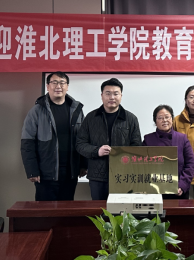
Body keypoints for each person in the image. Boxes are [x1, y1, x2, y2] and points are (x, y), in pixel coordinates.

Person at [20, 72, 87, 201]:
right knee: (45, 211)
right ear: (47, 86)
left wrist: (84, 164)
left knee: (67, 210)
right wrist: (32, 170)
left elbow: (83, 139)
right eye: (54, 82)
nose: (58, 86)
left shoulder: (76, 110)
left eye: (62, 83)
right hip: (46, 173)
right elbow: (27, 143)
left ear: (67, 87)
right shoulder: (37, 111)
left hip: (70, 173)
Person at [76, 78, 141, 200]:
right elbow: (80, 144)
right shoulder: (91, 118)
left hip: (123, 176)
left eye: (116, 93)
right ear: (102, 95)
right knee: (99, 209)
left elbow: (137, 146)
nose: (112, 97)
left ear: (121, 96)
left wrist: (121, 154)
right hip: (97, 177)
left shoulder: (131, 119)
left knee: (122, 209)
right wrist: (97, 151)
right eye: (108, 93)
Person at [143, 105, 194, 199]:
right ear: (155, 121)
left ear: (172, 119)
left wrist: (182, 185)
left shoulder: (182, 138)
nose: (164, 120)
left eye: (167, 117)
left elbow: (191, 163)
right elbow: (142, 165)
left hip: (178, 191)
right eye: (160, 118)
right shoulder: (148, 140)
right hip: (155, 192)